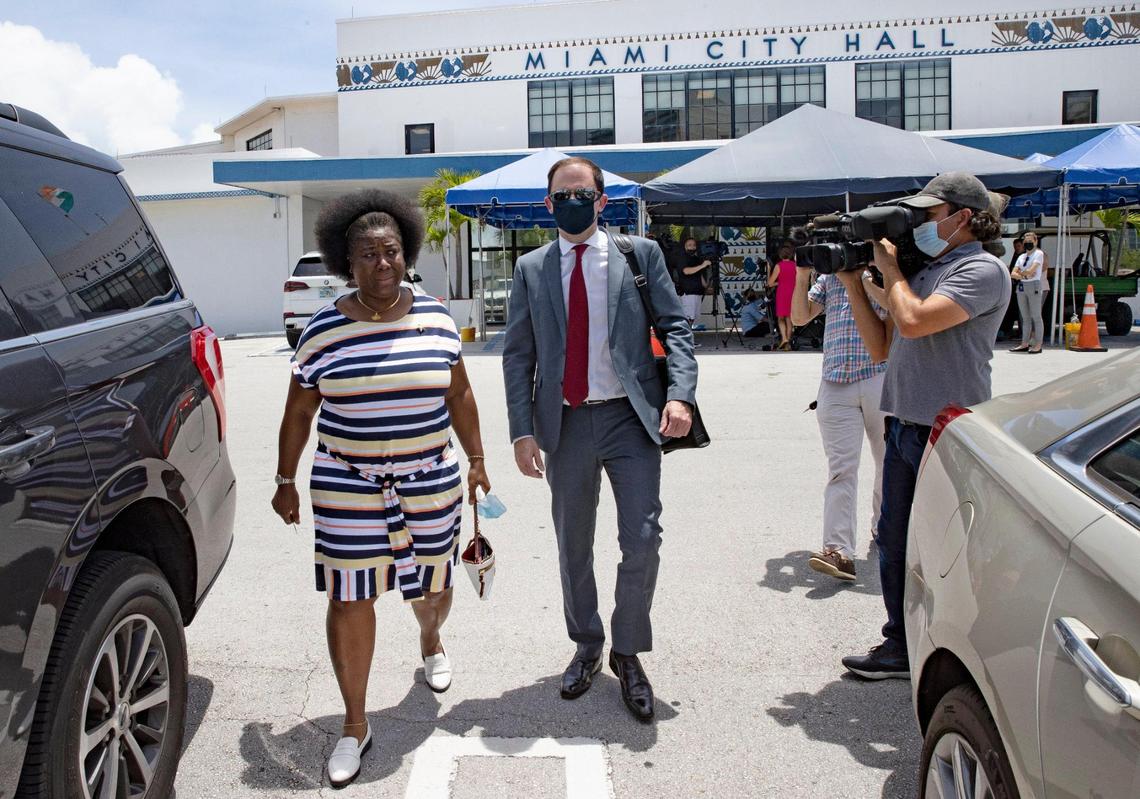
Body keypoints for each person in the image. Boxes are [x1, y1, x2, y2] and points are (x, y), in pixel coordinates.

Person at [271, 189, 491, 788]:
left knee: (434, 588)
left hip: (430, 478)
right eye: (367, 255)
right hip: (346, 481)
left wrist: (476, 459)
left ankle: (430, 637)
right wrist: (285, 478)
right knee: (348, 598)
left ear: (407, 253)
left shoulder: (437, 315)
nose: (382, 264)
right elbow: (299, 413)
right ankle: (354, 724)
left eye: (391, 251)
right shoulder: (322, 330)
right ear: (348, 261)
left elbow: (460, 393)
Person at [501, 156, 698, 722]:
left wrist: (680, 394)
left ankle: (629, 652)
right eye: (561, 195)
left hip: (631, 421)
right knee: (573, 545)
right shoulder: (532, 268)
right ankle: (587, 644)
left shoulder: (640, 255)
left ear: (601, 199)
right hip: (564, 424)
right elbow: (519, 355)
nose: (571, 202)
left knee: (641, 540)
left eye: (580, 192)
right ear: (547, 204)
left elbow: (675, 328)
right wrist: (522, 431)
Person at [836, 173, 1010, 680]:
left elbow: (913, 322)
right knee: (894, 541)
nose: (919, 226)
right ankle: (900, 645)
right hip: (905, 428)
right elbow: (883, 346)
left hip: (948, 433)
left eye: (929, 216)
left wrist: (889, 269)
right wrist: (853, 284)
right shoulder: (929, 271)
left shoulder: (981, 270)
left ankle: (963, 648)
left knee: (946, 549)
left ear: (964, 218)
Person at [791, 266, 887, 582]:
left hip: (880, 376)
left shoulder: (883, 270)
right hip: (835, 382)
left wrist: (863, 280)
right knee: (840, 469)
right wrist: (802, 274)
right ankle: (839, 551)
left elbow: (895, 310)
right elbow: (799, 317)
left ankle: (883, 526)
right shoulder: (828, 279)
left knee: (888, 462)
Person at [1010, 231, 1046, 353]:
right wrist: (1023, 276)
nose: (1028, 244)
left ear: (1035, 242)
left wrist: (1022, 274)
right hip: (1022, 286)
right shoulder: (1021, 257)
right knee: (1025, 317)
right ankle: (1024, 343)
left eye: (1030, 241)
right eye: (1026, 242)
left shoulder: (1038, 254)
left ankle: (1038, 344)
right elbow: (1013, 273)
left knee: (1036, 316)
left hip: (1034, 285)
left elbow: (1031, 271)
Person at [675, 237, 713, 334]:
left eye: (694, 245)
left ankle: (689, 339)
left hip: (697, 291)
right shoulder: (682, 257)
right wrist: (703, 265)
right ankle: (685, 339)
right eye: (689, 245)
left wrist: (706, 286)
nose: (692, 247)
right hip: (688, 292)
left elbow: (699, 274)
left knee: (694, 317)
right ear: (684, 246)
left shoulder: (696, 259)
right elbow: (686, 271)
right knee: (688, 317)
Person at [767, 244, 797, 350]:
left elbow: (770, 283)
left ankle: (784, 338)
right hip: (793, 293)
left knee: (781, 318)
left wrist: (779, 282)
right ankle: (788, 343)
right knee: (789, 318)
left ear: (780, 255)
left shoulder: (778, 266)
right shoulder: (795, 265)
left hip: (782, 292)